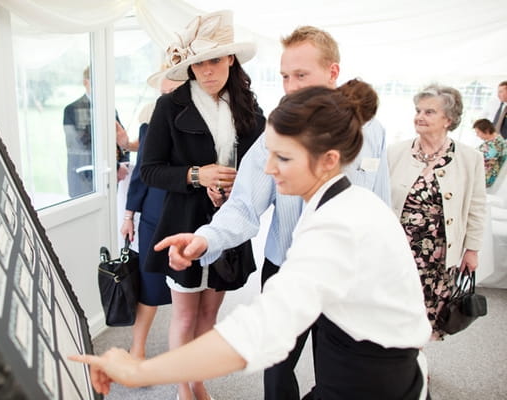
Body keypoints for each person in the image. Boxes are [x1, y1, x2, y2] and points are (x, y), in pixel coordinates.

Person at [70, 80, 432, 400]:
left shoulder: (338, 226)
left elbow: (261, 330)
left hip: (370, 381)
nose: (268, 168)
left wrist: (140, 371)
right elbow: (244, 205)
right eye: (268, 153)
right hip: (379, 368)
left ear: (329, 160)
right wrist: (205, 238)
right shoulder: (347, 202)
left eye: (283, 157)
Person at [146, 25, 391, 400]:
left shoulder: (373, 132)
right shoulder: (273, 135)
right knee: (276, 368)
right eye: (285, 77)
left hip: (347, 276)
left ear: (333, 73)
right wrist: (204, 238)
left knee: (339, 377)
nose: (291, 87)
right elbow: (244, 205)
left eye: (301, 75)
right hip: (287, 271)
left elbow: (380, 205)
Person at [139, 10, 265, 400]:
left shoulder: (249, 108)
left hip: (230, 223)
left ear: (230, 59)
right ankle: (184, 387)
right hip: (184, 222)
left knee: (210, 315)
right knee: (185, 314)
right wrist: (198, 176)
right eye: (198, 64)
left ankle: (198, 379)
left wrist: (230, 188)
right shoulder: (169, 107)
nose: (206, 71)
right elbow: (150, 171)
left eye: (214, 60)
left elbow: (259, 166)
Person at [388, 84, 486, 341]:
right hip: (400, 249)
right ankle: (395, 359)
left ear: (449, 120)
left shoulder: (469, 158)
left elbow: (477, 207)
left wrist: (472, 250)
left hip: (439, 254)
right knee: (395, 305)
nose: (420, 116)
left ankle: (415, 360)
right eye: (418, 110)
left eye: (429, 112)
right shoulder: (395, 152)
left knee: (427, 308)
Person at [119, 68, 183, 360]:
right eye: (163, 94)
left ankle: (184, 361)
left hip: (188, 217)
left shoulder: (202, 126)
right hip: (155, 217)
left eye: (173, 93)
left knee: (188, 294)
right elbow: (140, 175)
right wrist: (129, 215)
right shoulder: (149, 126)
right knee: (149, 285)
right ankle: (137, 350)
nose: (166, 100)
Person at [63, 66, 135, 197]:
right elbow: (82, 147)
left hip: (109, 177)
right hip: (84, 179)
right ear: (86, 82)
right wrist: (117, 166)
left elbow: (120, 138)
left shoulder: (110, 109)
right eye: (98, 81)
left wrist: (124, 163)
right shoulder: (72, 110)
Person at [473, 118, 507, 188]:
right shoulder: (494, 141)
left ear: (486, 131)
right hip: (481, 175)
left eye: (478, 132)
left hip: (484, 178)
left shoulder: (496, 144)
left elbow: (478, 158)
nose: (477, 135)